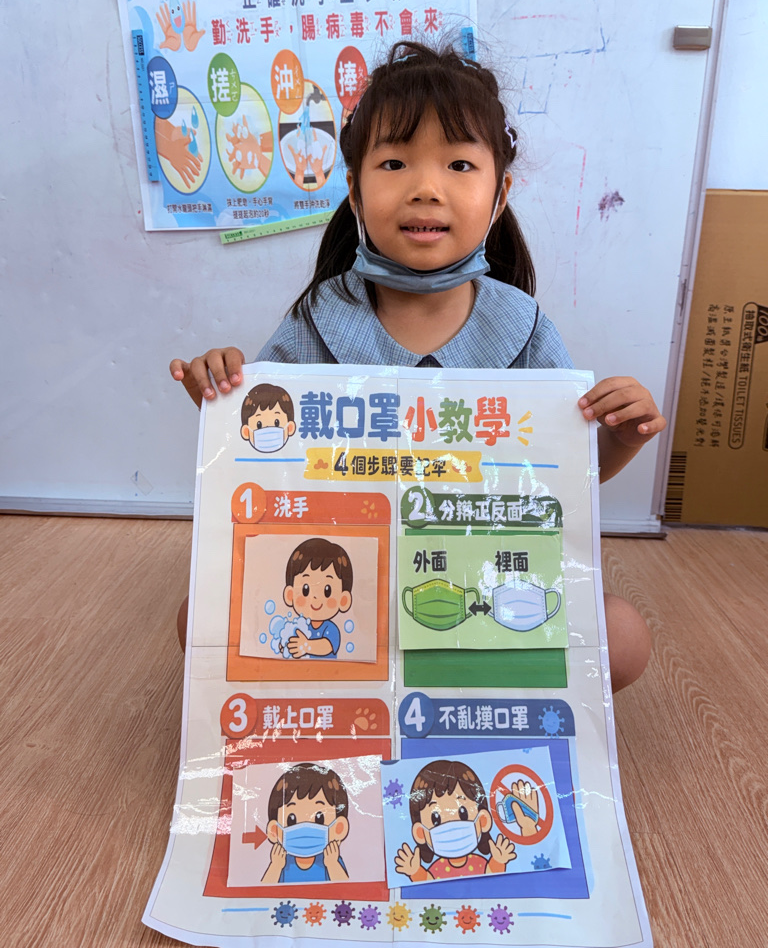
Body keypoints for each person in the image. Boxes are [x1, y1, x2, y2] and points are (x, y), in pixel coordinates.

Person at [171, 40, 663, 691]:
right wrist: (223, 395)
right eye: (395, 162)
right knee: (199, 618)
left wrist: (620, 437)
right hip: (347, 591)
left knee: (623, 638)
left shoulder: (522, 326)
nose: (426, 188)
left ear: (500, 193)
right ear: (354, 189)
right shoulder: (320, 316)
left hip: (476, 588)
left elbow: (564, 475)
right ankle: (374, 679)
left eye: (459, 164)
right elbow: (264, 448)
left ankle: (437, 683)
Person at [395, 759, 517, 882]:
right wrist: (415, 872)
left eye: (463, 813)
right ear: (420, 833)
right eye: (435, 819)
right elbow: (427, 883)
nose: (451, 824)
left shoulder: (479, 863)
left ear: (483, 820)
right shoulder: (437, 869)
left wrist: (498, 861)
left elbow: (491, 878)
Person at [261, 762, 350, 884]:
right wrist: (275, 866)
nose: (304, 826)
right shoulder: (282, 862)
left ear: (339, 828)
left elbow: (345, 889)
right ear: (274, 831)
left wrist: (332, 864)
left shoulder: (330, 860)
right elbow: (264, 890)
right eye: (291, 820)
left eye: (319, 819)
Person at [282, 537, 353, 659]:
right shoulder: (301, 625)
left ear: (343, 600)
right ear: (290, 594)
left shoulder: (330, 628)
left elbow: (327, 645)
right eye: (305, 590)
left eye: (327, 591)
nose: (315, 597)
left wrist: (306, 646)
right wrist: (286, 646)